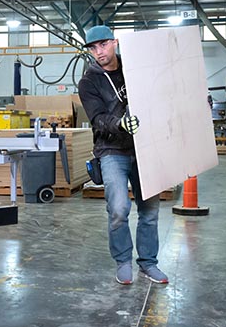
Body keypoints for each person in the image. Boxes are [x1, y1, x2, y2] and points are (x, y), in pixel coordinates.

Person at [77, 25, 168, 285]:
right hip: (111, 150)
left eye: (103, 45)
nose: (99, 52)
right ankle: (123, 261)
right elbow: (97, 118)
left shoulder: (136, 69)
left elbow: (163, 94)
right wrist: (120, 124)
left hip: (144, 147)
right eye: (93, 48)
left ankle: (148, 264)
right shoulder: (89, 81)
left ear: (115, 43)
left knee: (150, 209)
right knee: (118, 208)